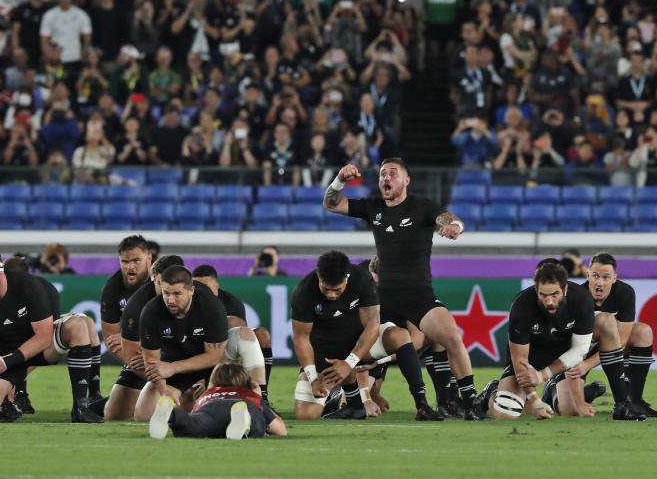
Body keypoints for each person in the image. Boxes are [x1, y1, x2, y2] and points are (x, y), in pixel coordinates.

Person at [323, 159, 487, 420]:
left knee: (452, 338)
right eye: (382, 174)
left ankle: (470, 404)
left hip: (418, 295)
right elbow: (331, 203)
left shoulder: (422, 207)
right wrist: (340, 179)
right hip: (383, 296)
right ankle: (351, 398)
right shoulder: (373, 207)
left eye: (392, 173)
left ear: (406, 181)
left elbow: (452, 219)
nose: (386, 178)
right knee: (354, 345)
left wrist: (455, 227)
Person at [291, 250, 442, 421]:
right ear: (318, 276)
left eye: (337, 290)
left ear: (346, 278)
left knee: (400, 336)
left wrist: (349, 362)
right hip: (326, 354)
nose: (331, 295)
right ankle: (348, 403)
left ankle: (422, 405)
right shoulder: (303, 292)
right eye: (326, 289)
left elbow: (372, 326)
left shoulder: (361, 279)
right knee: (305, 415)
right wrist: (312, 378)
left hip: (359, 345)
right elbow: (301, 338)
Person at [0, 246, 101, 424]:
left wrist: (6, 362)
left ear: (0, 270)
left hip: (40, 349)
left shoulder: (28, 286)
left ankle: (81, 407)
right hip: (4, 355)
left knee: (79, 325)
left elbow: (44, 336)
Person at [137, 265, 266, 423]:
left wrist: (172, 367)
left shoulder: (211, 306)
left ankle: (262, 404)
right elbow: (152, 363)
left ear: (191, 291)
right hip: (175, 365)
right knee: (143, 415)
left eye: (177, 294)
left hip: (211, 365)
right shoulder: (151, 313)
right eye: (166, 293)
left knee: (246, 336)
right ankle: (191, 406)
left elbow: (213, 357)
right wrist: (164, 391)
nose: (170, 300)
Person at [488, 260, 593, 421]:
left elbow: (580, 350)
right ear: (536, 290)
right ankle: (492, 391)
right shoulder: (521, 306)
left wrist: (543, 376)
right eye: (543, 295)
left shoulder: (582, 299)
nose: (549, 301)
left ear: (565, 289)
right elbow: (520, 360)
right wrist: (535, 401)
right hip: (531, 358)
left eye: (554, 294)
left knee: (571, 410)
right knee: (507, 414)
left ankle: (551, 387)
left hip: (563, 358)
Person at [565, 252, 657, 419]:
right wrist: (583, 364)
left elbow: (621, 342)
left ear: (614, 278)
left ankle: (633, 401)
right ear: (587, 275)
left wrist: (589, 364)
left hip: (610, 348)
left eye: (606, 277)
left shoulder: (625, 293)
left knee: (643, 332)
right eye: (595, 276)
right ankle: (559, 392)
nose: (600, 283)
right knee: (569, 409)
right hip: (579, 353)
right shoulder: (576, 298)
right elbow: (570, 346)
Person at [105, 254, 185, 421]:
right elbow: (133, 358)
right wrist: (150, 361)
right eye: (164, 283)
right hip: (151, 364)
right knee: (114, 414)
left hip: (183, 362)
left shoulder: (197, 299)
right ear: (154, 278)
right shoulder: (135, 306)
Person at [192, 264, 274, 393]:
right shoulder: (187, 303)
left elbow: (241, 345)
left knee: (262, 335)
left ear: (216, 288)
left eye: (205, 288)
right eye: (197, 288)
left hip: (223, 351)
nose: (201, 293)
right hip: (196, 354)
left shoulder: (231, 304)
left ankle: (261, 394)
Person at [150, 363, 287, 440]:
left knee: (192, 426)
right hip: (242, 405)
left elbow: (194, 412)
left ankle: (172, 415)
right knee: (257, 424)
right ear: (246, 381)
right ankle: (246, 421)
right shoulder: (250, 395)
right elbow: (280, 430)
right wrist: (261, 399)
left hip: (210, 408)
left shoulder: (207, 394)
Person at [97, 236, 153, 419]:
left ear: (149, 258)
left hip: (174, 354)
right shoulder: (113, 288)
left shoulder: (164, 283)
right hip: (138, 358)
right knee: (114, 414)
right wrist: (137, 364)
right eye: (125, 261)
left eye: (136, 260)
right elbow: (112, 339)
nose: (130, 267)